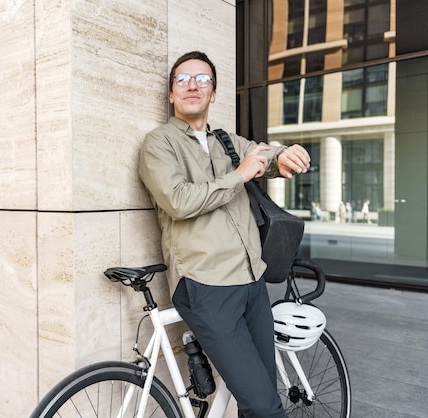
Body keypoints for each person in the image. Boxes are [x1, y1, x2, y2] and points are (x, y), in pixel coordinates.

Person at [138, 51, 311, 418]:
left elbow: (263, 154)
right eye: (182, 79)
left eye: (202, 79)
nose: (192, 86)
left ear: (213, 93)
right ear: (171, 94)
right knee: (264, 407)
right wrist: (240, 175)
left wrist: (283, 155)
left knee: (263, 396)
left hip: (252, 281)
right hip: (206, 286)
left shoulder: (226, 141)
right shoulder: (160, 143)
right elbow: (179, 201)